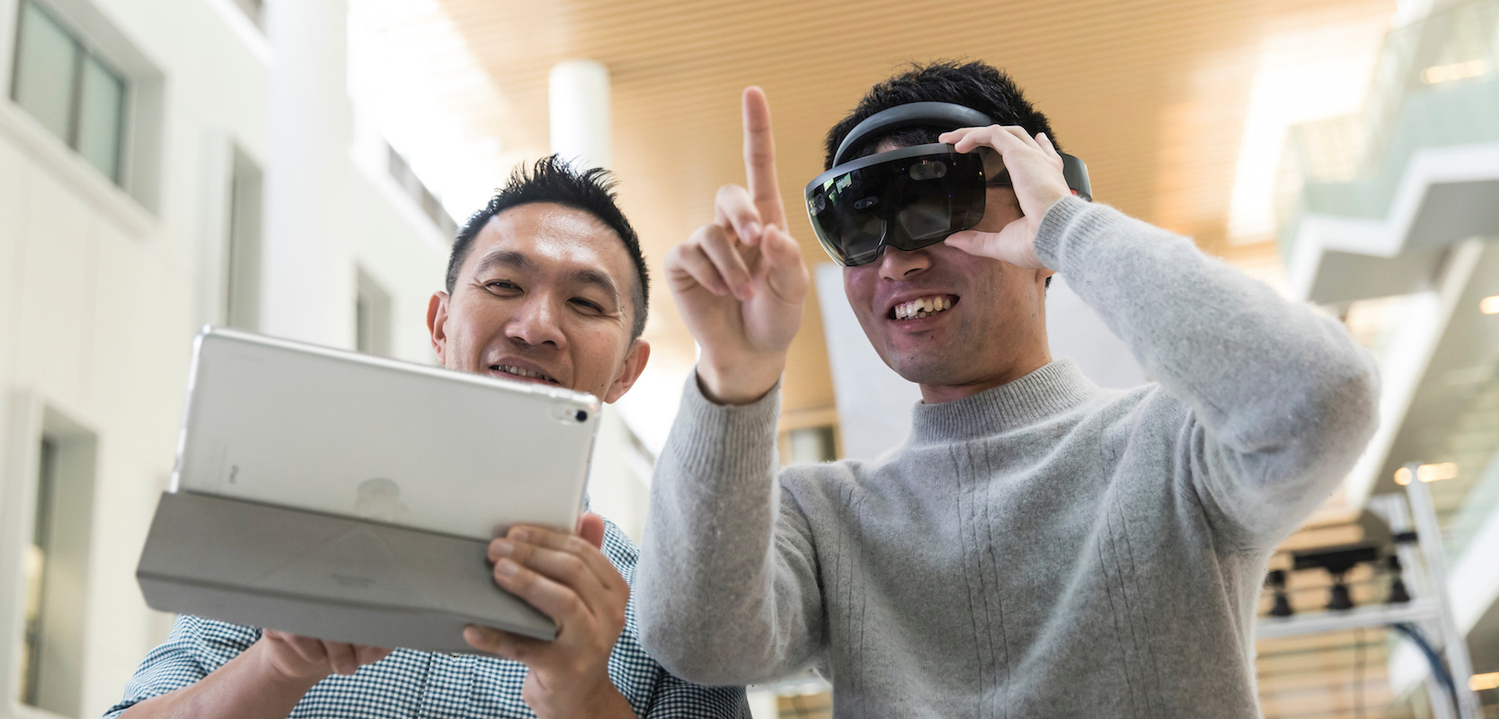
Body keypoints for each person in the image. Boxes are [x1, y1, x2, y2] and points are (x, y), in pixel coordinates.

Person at [635, 62, 1380, 717]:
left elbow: (1324, 396)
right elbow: (697, 639)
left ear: (1037, 203)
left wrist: (1073, 229)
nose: (895, 260)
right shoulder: (825, 515)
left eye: (932, 204)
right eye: (858, 224)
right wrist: (732, 378)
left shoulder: (1175, 450)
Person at [107, 157, 749, 719]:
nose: (536, 327)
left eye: (584, 303)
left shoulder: (674, 606)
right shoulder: (285, 524)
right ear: (440, 325)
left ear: (628, 371)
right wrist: (277, 665)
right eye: (504, 285)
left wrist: (585, 699)